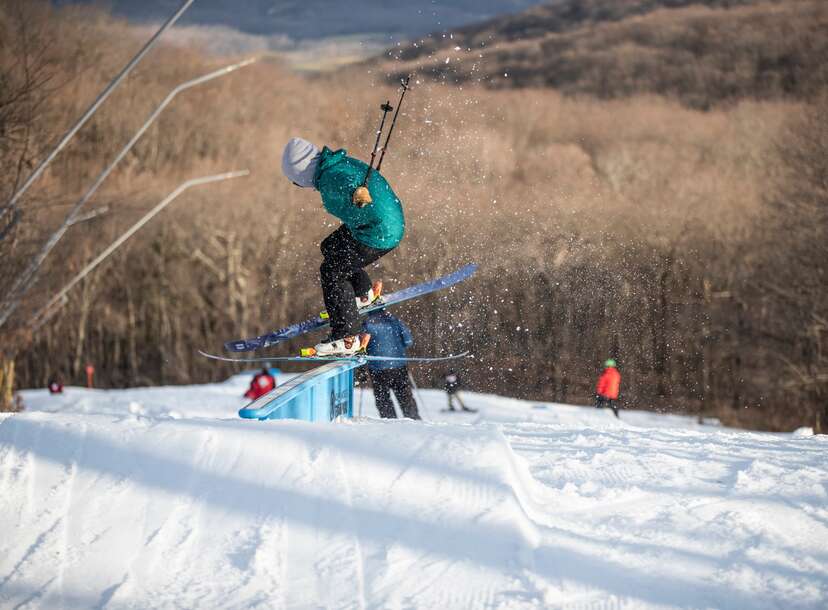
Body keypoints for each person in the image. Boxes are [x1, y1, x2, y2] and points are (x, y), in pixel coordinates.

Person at [281, 137, 405, 356]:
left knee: (332, 271)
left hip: (380, 232)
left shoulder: (331, 177)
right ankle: (362, 293)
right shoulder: (335, 165)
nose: (299, 185)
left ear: (302, 172)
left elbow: (349, 184)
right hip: (384, 222)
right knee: (331, 247)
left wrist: (355, 192)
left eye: (296, 181)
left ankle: (346, 337)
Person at [362, 309, 420, 420]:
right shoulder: (394, 321)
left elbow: (362, 347)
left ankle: (390, 423)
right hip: (398, 365)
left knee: (383, 399)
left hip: (377, 368)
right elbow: (408, 341)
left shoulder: (366, 325)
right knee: (405, 397)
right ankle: (414, 420)